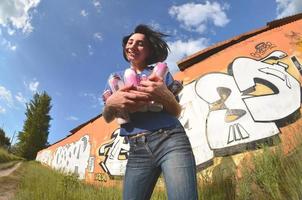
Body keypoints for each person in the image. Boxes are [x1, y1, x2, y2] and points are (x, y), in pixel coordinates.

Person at [102, 24, 198, 200]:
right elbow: (108, 118)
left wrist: (165, 96)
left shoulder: (159, 74)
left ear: (148, 51)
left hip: (171, 140)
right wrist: (110, 105)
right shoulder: (115, 78)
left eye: (140, 43)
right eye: (130, 42)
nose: (132, 46)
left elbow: (175, 111)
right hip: (136, 149)